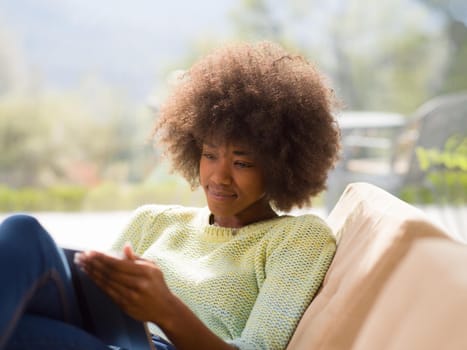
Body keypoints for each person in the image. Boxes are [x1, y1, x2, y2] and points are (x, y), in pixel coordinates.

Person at [0, 41, 340, 350]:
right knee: (23, 232)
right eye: (209, 154)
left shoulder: (298, 239)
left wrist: (166, 311)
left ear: (282, 166)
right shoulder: (154, 220)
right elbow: (97, 304)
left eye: (242, 162)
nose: (218, 176)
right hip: (102, 337)